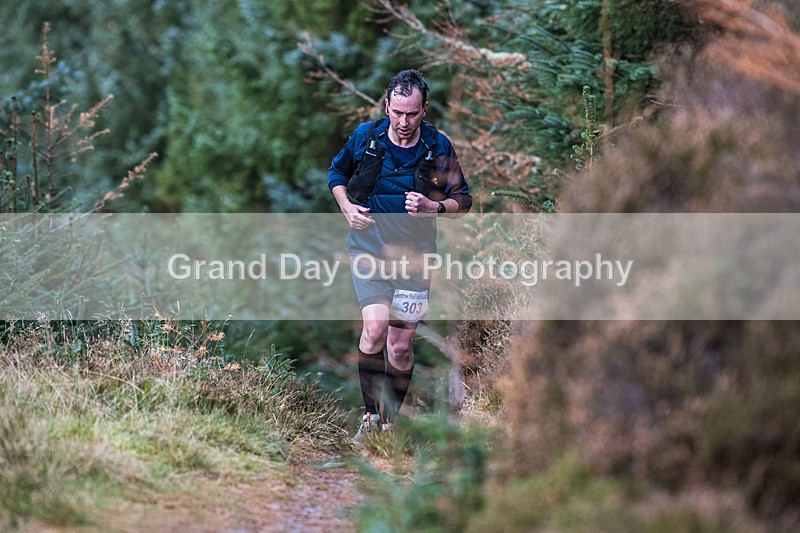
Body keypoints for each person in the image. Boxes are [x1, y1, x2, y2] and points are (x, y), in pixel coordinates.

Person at [327, 69, 472, 443]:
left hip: (416, 258)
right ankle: (370, 417)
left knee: (401, 346)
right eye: (397, 112)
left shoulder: (438, 146)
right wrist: (347, 207)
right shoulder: (365, 137)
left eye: (411, 114)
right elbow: (336, 174)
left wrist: (433, 207)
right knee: (375, 330)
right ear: (386, 105)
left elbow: (464, 200)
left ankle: (390, 424)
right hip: (369, 250)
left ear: (424, 109)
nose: (403, 122)